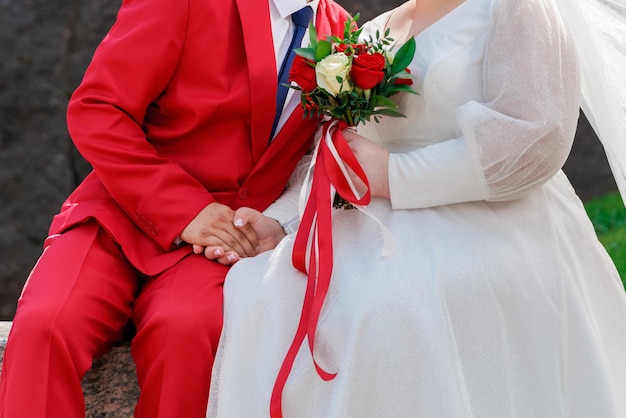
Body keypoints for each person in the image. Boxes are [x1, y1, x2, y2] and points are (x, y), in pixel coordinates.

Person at [207, 0, 626, 416]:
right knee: (267, 294)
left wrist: (395, 174)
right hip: (375, 225)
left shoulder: (515, 7)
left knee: (389, 309)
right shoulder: (378, 29)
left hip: (491, 222)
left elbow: (537, 138)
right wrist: (283, 221)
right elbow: (338, 155)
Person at [0, 0, 350, 417]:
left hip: (223, 239)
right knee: (46, 323)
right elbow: (99, 109)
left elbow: (317, 156)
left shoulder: (344, 34)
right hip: (123, 211)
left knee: (186, 330)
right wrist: (185, 210)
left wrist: (278, 220)